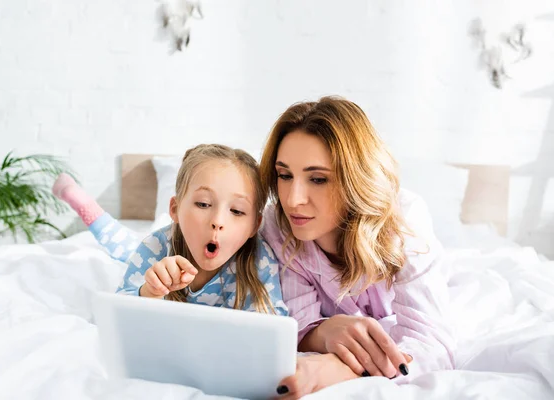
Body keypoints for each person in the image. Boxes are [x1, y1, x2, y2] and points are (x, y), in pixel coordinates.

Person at [259, 96, 455, 398]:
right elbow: (296, 322)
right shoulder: (276, 224)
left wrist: (341, 370)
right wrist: (325, 332)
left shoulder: (404, 218)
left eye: (318, 179)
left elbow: (431, 344)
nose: (293, 199)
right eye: (284, 175)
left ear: (355, 179)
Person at [53, 144, 287, 314]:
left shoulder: (259, 259)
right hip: (165, 240)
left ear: (255, 226)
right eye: (203, 204)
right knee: (123, 246)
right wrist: (149, 293)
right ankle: (83, 204)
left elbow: (276, 323)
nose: (218, 221)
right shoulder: (156, 246)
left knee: (128, 247)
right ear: (174, 209)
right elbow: (120, 310)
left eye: (236, 211)